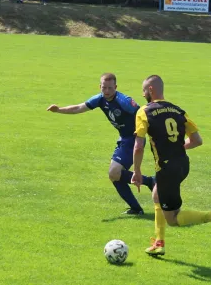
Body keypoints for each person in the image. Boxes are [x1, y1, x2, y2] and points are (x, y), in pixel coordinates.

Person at [131, 75, 211, 256]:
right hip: (183, 164)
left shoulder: (144, 111)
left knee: (173, 219)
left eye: (144, 90)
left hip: (167, 169)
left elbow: (138, 147)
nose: (143, 95)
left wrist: (137, 171)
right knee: (157, 194)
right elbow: (197, 140)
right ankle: (159, 242)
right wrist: (177, 147)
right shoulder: (179, 111)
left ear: (150, 89)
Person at [47, 73, 155, 215]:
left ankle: (148, 185)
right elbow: (79, 108)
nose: (107, 91)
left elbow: (143, 114)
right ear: (100, 87)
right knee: (114, 175)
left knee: (114, 173)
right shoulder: (99, 99)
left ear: (115, 87)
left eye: (110, 88)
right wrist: (59, 110)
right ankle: (139, 204)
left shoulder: (124, 101)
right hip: (123, 139)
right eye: (104, 87)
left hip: (133, 139)